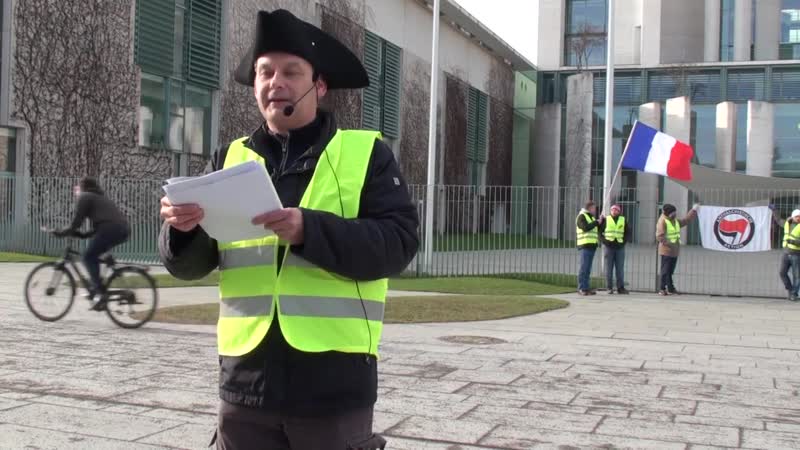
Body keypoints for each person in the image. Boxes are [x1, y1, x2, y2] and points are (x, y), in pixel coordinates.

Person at [158, 9, 418, 450]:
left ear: (319, 86)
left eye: (290, 72)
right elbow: (188, 267)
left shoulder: (366, 154)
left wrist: (309, 230)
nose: (275, 82)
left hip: (332, 387)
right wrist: (183, 231)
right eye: (265, 72)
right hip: (245, 383)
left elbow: (398, 243)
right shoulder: (229, 158)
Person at [54, 177, 130, 310]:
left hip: (110, 229)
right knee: (97, 254)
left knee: (88, 257)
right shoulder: (99, 197)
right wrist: (83, 235)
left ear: (83, 187)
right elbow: (100, 224)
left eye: (78, 186)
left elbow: (77, 222)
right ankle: (99, 288)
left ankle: (100, 293)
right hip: (122, 229)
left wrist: (63, 232)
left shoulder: (86, 196)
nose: (76, 190)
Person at [655, 202, 699, 296]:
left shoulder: (674, 221)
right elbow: (659, 236)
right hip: (666, 250)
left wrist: (693, 210)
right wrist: (670, 244)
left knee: (670, 271)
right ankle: (662, 289)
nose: (675, 214)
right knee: (665, 271)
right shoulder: (662, 221)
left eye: (675, 212)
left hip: (674, 251)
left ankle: (670, 288)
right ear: (667, 213)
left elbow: (685, 221)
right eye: (673, 213)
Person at [600, 204, 631, 294]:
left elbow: (628, 232)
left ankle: (620, 288)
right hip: (609, 247)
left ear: (619, 211)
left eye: (616, 210)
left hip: (620, 247)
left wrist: (623, 242)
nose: (614, 211)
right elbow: (600, 232)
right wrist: (605, 241)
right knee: (609, 268)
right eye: (613, 209)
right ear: (610, 211)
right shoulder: (606, 220)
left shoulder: (623, 220)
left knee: (620, 269)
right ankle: (609, 287)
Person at [576, 201, 603, 296]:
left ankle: (586, 288)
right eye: (594, 208)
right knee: (584, 267)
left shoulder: (591, 217)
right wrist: (596, 222)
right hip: (585, 245)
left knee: (588, 268)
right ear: (590, 208)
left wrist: (600, 223)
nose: (595, 210)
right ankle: (581, 288)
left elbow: (595, 229)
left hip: (592, 245)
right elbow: (585, 227)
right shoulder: (581, 216)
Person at [781, 209, 800, 301]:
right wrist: (774, 211)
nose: (798, 218)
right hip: (786, 253)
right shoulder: (787, 223)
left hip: (796, 254)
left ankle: (794, 294)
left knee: (797, 275)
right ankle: (791, 290)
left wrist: (793, 241)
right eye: (797, 216)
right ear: (793, 216)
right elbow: (778, 220)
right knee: (782, 273)